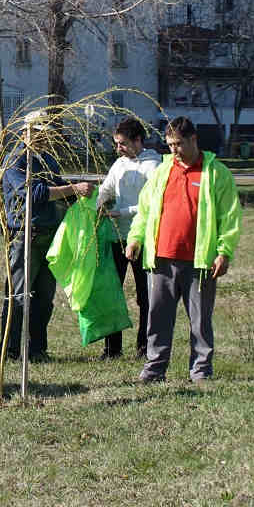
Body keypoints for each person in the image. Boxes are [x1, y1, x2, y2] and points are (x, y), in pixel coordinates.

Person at [126, 116, 242, 383]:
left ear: (193, 140)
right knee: (157, 319)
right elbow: (145, 211)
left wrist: (224, 252)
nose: (173, 150)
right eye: (169, 144)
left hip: (198, 262)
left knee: (200, 321)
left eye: (178, 144)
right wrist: (135, 238)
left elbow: (230, 217)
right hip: (161, 259)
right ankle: (154, 368)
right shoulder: (162, 171)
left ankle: (201, 371)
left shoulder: (216, 173)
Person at [0, 142, 94, 360]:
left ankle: (37, 350)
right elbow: (33, 194)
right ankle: (11, 351)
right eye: (39, 132)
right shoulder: (15, 160)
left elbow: (59, 186)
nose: (44, 138)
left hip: (50, 235)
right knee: (19, 296)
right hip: (25, 235)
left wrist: (82, 194)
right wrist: (73, 189)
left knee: (44, 297)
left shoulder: (47, 159)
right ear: (26, 133)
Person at [96, 117, 161, 359]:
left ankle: (145, 348)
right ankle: (112, 349)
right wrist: (95, 204)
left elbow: (151, 205)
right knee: (113, 293)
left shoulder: (153, 165)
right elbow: (106, 189)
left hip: (143, 239)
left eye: (122, 143)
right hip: (117, 237)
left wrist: (121, 212)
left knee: (146, 296)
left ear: (137, 140)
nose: (118, 148)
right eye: (116, 144)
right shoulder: (119, 164)